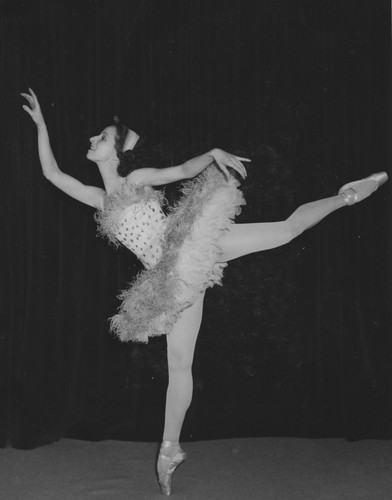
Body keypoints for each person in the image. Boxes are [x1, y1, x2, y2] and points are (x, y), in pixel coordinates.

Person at [21, 88, 387, 496]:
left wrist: (212, 152)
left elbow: (180, 171)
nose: (93, 140)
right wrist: (41, 125)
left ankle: (348, 195)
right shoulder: (97, 199)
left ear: (118, 153)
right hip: (169, 282)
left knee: (285, 230)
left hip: (188, 244)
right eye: (96, 137)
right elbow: (52, 174)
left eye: (102, 138)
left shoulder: (136, 180)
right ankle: (169, 449)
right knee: (179, 366)